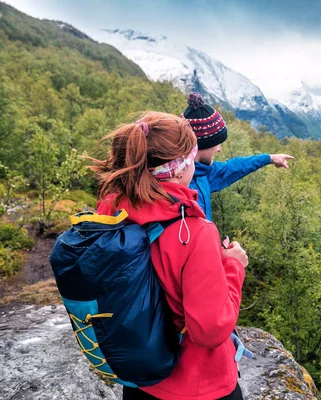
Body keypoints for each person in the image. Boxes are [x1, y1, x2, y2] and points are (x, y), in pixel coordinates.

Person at [91, 112, 247, 400]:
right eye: (192, 156)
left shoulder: (110, 208)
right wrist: (233, 266)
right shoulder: (195, 232)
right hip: (198, 383)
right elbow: (210, 331)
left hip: (141, 375)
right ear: (178, 169)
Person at [182, 93, 294, 221]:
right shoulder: (184, 193)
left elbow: (235, 167)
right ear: (202, 145)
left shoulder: (202, 172)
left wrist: (269, 158)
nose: (219, 149)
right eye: (217, 144)